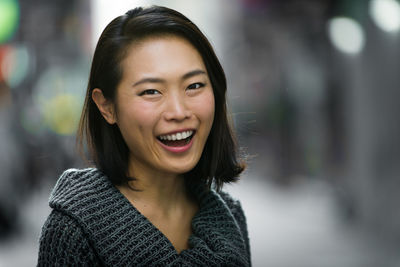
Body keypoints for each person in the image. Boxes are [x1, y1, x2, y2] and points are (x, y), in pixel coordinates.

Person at [37, 5, 251, 266]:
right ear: (107, 106)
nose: (178, 111)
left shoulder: (230, 217)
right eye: (151, 91)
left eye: (194, 86)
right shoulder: (73, 231)